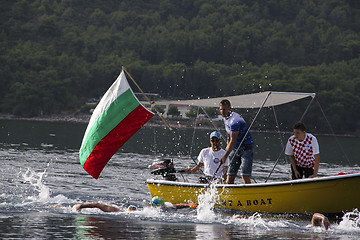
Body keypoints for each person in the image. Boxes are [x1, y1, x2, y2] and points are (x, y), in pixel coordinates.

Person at [219, 99, 254, 184]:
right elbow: (228, 135)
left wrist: (225, 156)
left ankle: (249, 193)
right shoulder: (225, 118)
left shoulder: (235, 121)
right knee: (230, 175)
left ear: (229, 109)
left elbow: (233, 141)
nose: (222, 111)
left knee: (244, 175)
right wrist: (227, 146)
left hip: (246, 148)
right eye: (220, 109)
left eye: (224, 109)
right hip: (235, 148)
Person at [75, 196, 197, 213]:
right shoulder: (127, 213)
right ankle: (80, 206)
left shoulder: (164, 206)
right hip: (127, 213)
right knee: (100, 206)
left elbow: (176, 205)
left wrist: (189, 205)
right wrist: (82, 206)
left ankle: (81, 206)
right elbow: (98, 205)